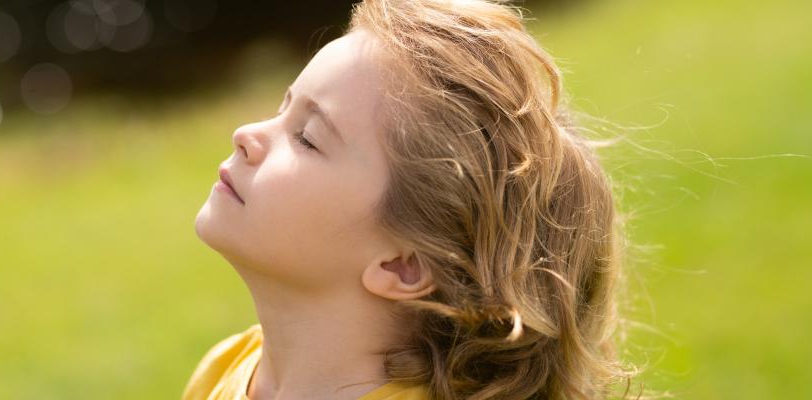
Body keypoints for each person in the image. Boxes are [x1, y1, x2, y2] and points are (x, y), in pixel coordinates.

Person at [188, 0, 643, 398]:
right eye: (283, 108)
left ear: (404, 266)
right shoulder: (227, 366)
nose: (246, 135)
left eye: (307, 138)